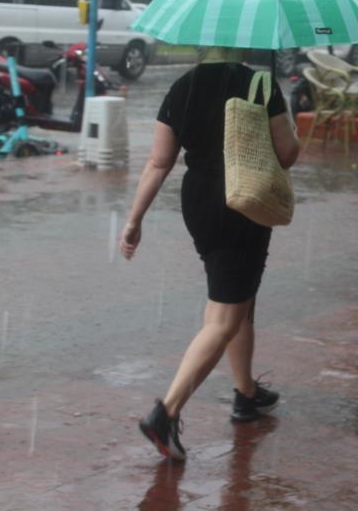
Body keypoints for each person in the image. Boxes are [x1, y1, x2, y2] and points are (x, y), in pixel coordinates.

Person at [122, 46, 300, 460]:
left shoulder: (182, 86)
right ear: (239, 42)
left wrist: (134, 219)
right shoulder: (258, 82)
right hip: (244, 201)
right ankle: (165, 414)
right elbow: (287, 154)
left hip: (199, 202)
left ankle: (247, 392)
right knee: (223, 316)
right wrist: (287, 117)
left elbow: (158, 161)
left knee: (239, 294)